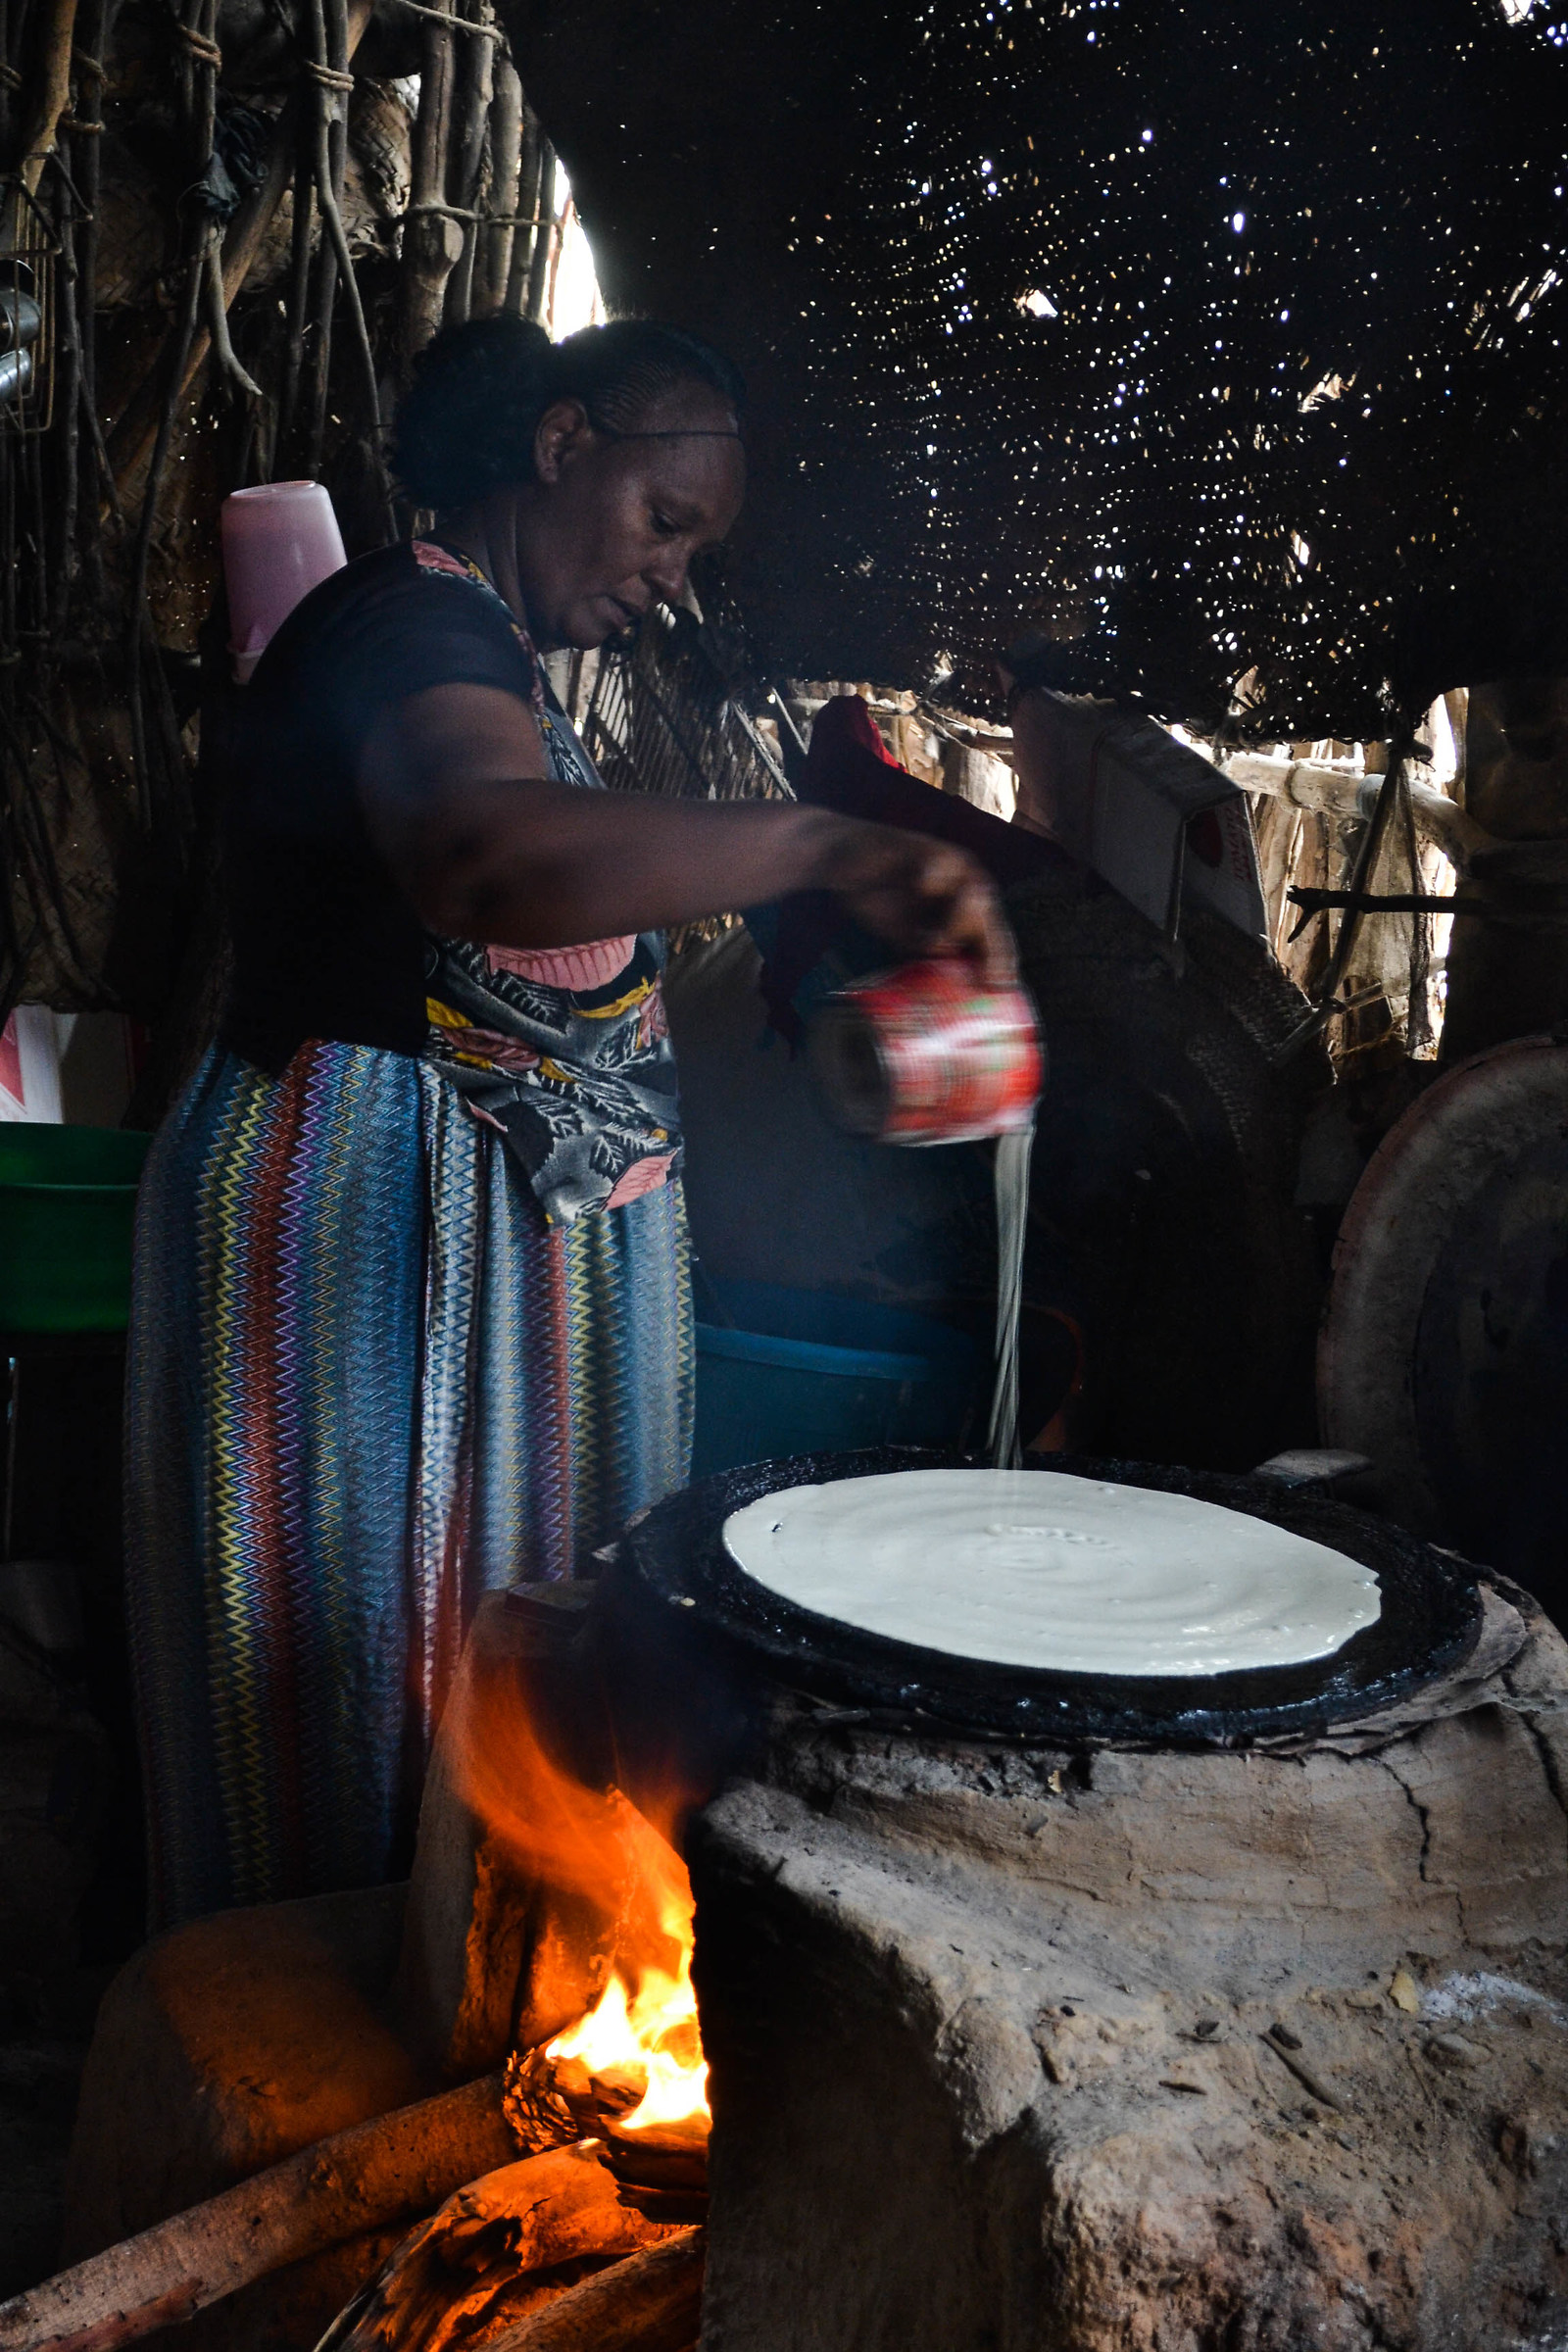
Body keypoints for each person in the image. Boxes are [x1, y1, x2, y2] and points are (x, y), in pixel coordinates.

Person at [124, 315, 1012, 1927]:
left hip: (456, 1276)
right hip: (368, 1251)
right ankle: (306, 2091)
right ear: (560, 447)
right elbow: (480, 854)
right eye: (666, 523)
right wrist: (817, 844)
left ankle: (451, 2062)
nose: (676, 578)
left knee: (468, 1716)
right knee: (345, 1705)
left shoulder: (512, 675)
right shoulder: (412, 625)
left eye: (699, 553)